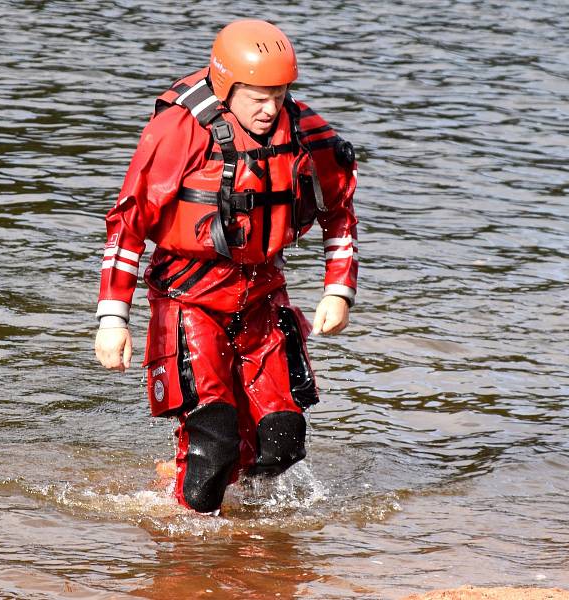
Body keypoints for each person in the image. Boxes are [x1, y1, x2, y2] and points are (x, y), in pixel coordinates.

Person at [94, 19, 358, 514]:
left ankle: (242, 518)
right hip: (188, 298)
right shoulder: (180, 130)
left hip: (262, 296)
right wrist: (112, 320)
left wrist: (337, 290)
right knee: (211, 443)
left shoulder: (303, 129)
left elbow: (339, 209)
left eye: (279, 94)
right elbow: (128, 222)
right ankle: (192, 540)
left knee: (284, 440)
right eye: (257, 96)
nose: (269, 108)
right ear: (225, 86)